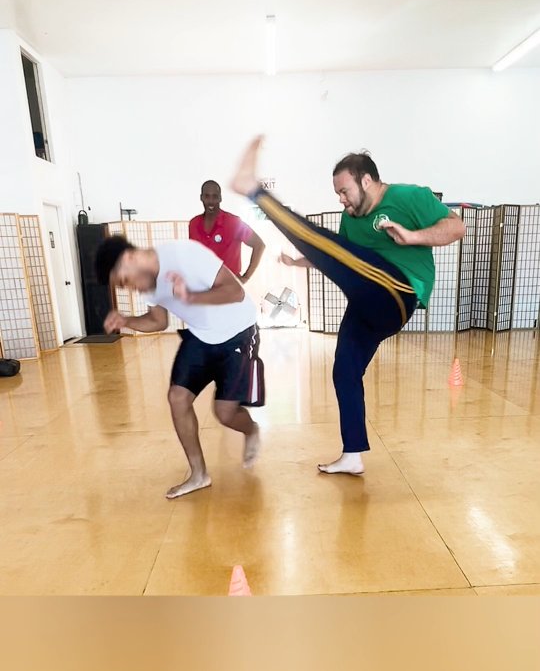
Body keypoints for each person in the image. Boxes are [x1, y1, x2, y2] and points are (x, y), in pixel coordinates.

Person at [231, 137, 465, 477]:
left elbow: (457, 227)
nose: (341, 199)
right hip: (367, 302)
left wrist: (412, 237)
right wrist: (299, 261)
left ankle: (254, 191)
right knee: (344, 371)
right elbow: (338, 255)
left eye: (344, 191)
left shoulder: (410, 196)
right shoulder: (351, 218)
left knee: (324, 242)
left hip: (397, 291)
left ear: (366, 181)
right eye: (337, 194)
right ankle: (352, 454)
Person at [95, 235, 262, 499]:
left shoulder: (184, 255)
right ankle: (199, 474)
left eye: (124, 281)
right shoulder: (148, 283)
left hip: (238, 332)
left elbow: (236, 292)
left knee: (225, 413)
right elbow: (158, 321)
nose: (130, 289)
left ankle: (251, 430)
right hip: (201, 335)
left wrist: (191, 296)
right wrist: (126, 321)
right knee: (177, 397)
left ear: (129, 258)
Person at [189, 179, 265, 282]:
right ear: (201, 197)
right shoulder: (193, 224)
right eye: (207, 196)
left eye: (215, 196)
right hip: (203, 284)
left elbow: (259, 245)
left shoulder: (233, 222)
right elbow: (193, 255)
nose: (211, 201)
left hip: (229, 285)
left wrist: (246, 277)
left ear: (220, 198)